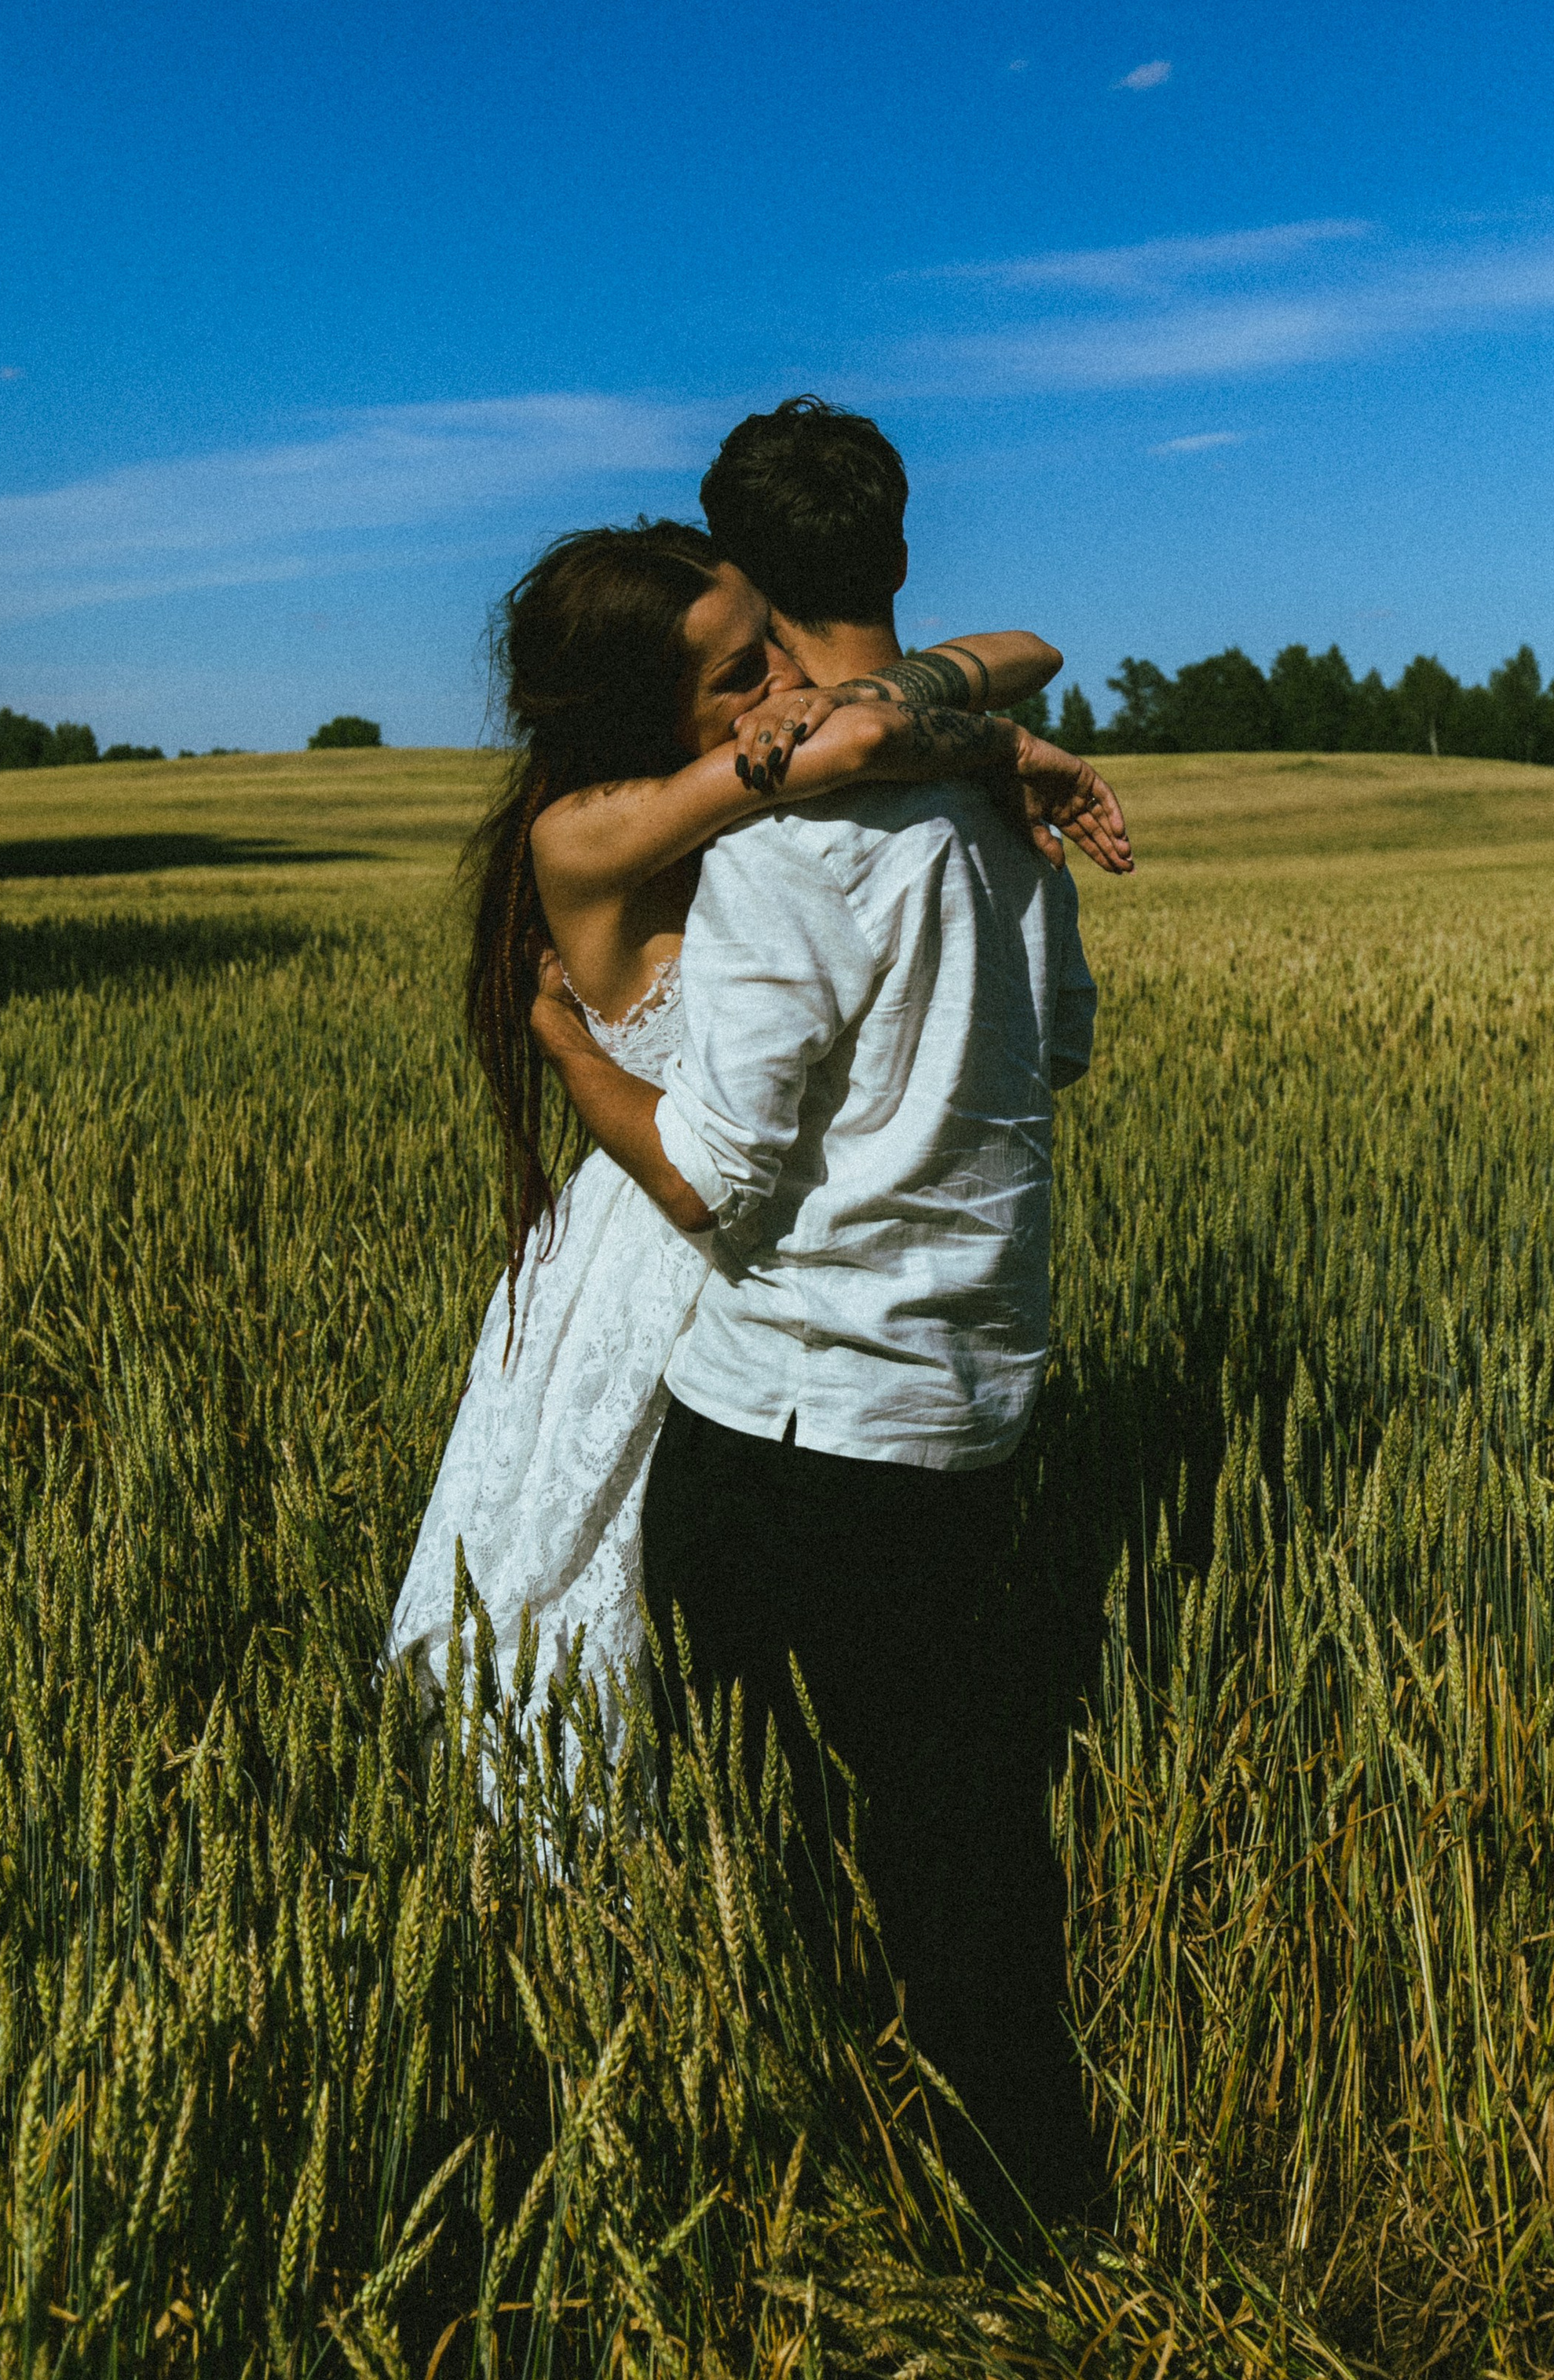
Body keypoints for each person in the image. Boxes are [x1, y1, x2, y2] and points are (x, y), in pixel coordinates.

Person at [529, 400, 1128, 2204]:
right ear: (893, 541)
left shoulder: (789, 843)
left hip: (790, 1406)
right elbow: (1065, 1048)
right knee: (951, 1806)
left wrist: (563, 1052)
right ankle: (1017, 2206)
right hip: (970, 1384)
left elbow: (713, 1172)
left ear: (761, 601)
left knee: (768, 1826)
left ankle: (846, 2181)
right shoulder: (992, 793)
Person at [387, 505, 1132, 1734]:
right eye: (744, 671)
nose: (790, 683)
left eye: (777, 643)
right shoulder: (587, 831)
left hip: (769, 1251)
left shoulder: (746, 794)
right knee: (605, 1627)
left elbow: (1027, 647)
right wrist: (1008, 750)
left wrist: (917, 710)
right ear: (642, 710)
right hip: (657, 1250)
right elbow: (854, 745)